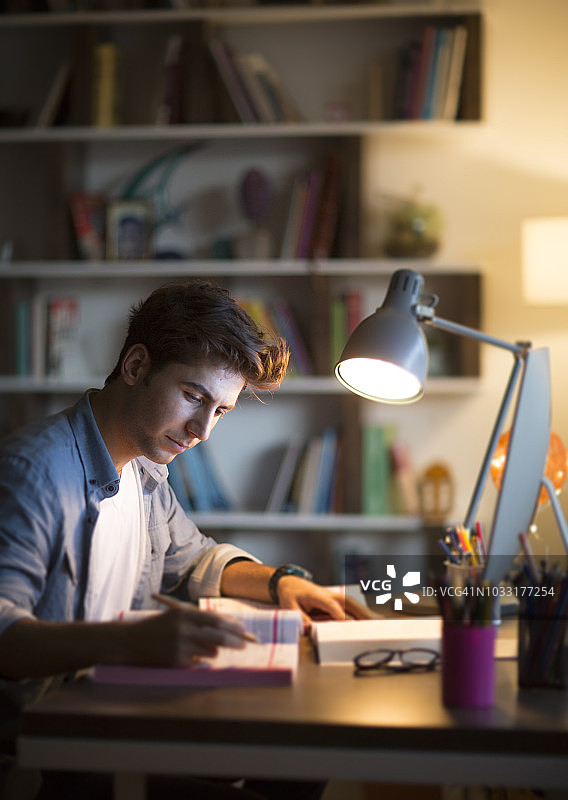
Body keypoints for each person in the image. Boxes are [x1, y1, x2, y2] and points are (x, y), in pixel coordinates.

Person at [0, 280, 367, 800]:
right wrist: (128, 643)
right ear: (135, 367)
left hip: (110, 723)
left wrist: (282, 582)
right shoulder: (34, 472)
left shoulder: (144, 470)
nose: (202, 430)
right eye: (194, 396)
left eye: (221, 410)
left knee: (308, 753)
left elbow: (194, 559)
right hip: (44, 758)